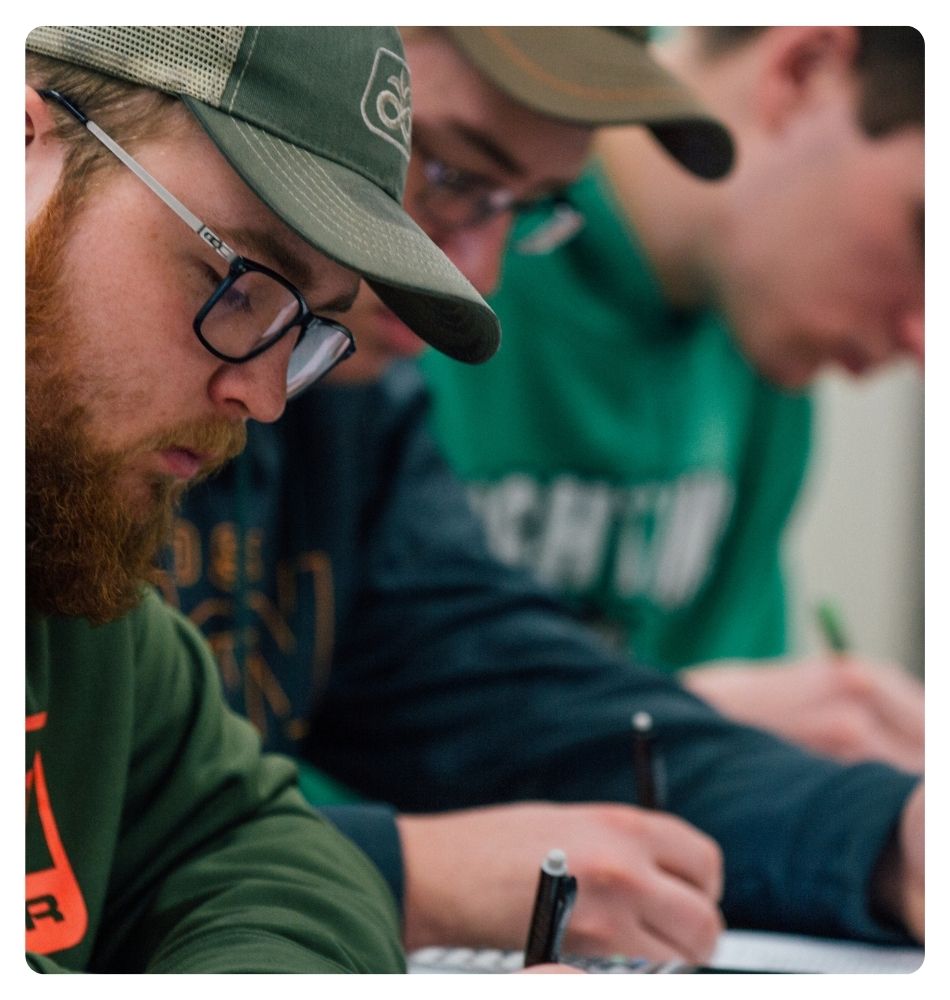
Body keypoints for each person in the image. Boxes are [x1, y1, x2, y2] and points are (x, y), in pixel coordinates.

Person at [169, 27, 924, 965]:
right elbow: (88, 834)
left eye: (527, 211)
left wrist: (890, 839)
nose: (477, 282)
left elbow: (511, 699)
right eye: (443, 174)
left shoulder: (354, 411)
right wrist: (411, 872)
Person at [24, 24, 504, 974]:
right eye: (237, 281)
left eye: (309, 328)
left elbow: (254, 847)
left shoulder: (55, 546)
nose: (267, 397)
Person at [422, 25, 925, 772]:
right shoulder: (439, 254)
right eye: (926, 235)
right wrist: (669, 720)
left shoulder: (764, 350)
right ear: (804, 69)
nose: (922, 336)